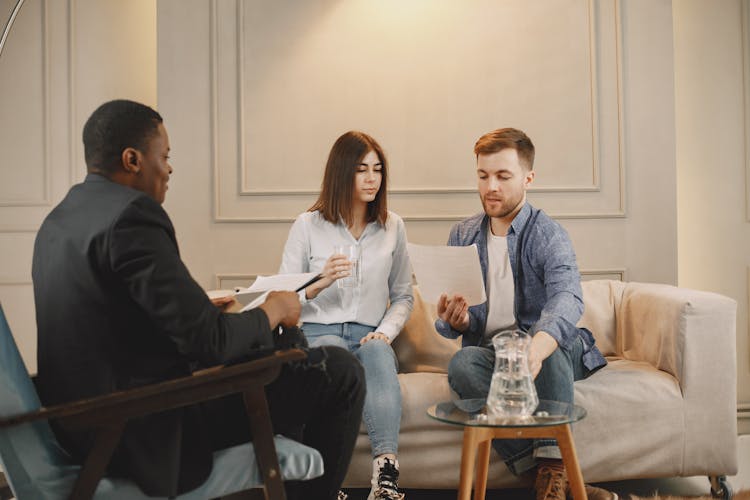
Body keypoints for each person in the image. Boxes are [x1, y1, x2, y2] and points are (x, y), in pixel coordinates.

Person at [32, 99, 365, 500]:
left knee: (285, 351)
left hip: (83, 424)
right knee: (339, 370)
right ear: (133, 159)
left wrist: (205, 313)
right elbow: (211, 344)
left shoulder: (61, 219)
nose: (169, 168)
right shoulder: (132, 216)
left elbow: (111, 325)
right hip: (138, 430)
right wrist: (275, 307)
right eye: (165, 156)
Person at [435, 128, 614, 500]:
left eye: (503, 176)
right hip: (495, 354)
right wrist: (458, 321)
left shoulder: (548, 234)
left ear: (528, 178)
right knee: (463, 364)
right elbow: (459, 321)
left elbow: (567, 299)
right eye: (483, 176)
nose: (491, 187)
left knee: (548, 349)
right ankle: (547, 474)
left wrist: (535, 348)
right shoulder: (463, 233)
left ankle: (552, 472)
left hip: (549, 351)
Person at [279, 131, 413, 500]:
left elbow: (403, 295)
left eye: (378, 169)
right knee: (334, 350)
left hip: (369, 330)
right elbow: (283, 296)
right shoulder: (307, 225)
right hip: (319, 330)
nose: (372, 178)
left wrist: (384, 332)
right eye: (361, 170)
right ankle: (327, 486)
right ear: (341, 173)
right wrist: (317, 285)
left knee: (375, 352)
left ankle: (385, 478)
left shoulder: (392, 227)